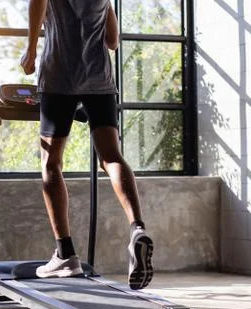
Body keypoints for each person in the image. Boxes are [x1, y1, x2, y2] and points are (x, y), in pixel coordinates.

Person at [20, 0, 154, 290]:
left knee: (51, 162)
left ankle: (65, 254)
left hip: (59, 76)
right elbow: (112, 41)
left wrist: (31, 49)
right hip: (99, 80)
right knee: (111, 157)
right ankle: (137, 228)